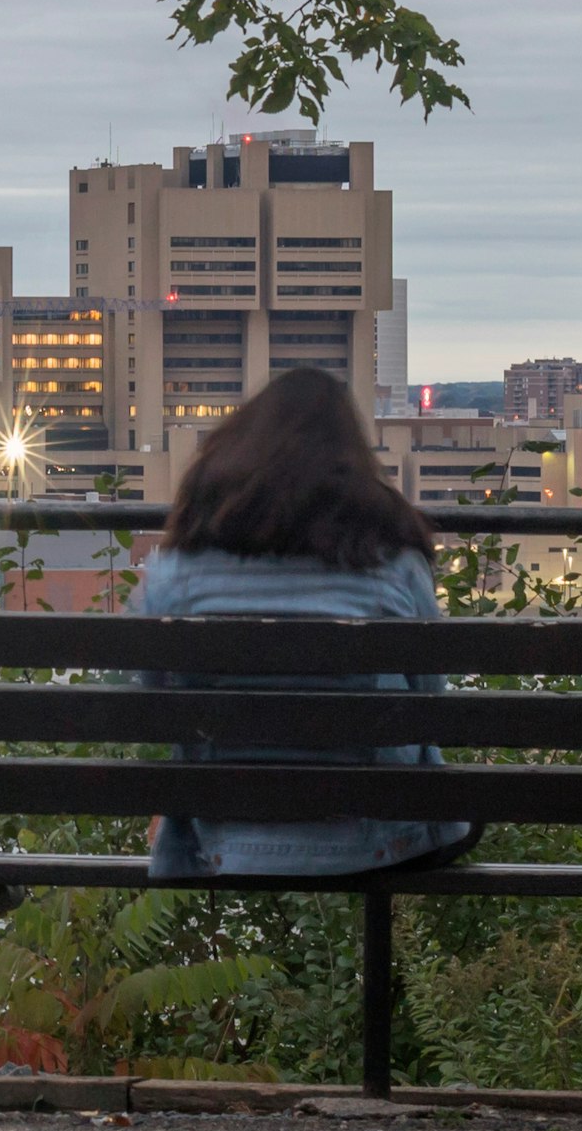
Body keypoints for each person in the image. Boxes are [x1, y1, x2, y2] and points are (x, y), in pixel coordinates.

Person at [137, 366, 479, 881]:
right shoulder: (393, 562)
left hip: (230, 842)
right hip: (379, 843)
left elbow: (154, 698)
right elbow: (427, 702)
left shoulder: (175, 573)